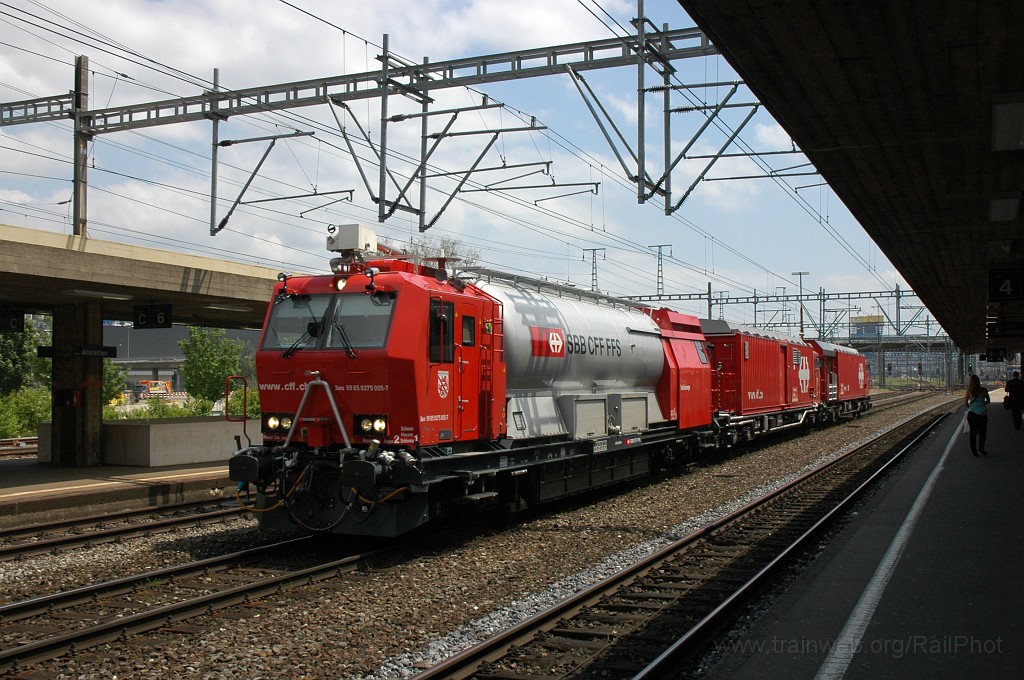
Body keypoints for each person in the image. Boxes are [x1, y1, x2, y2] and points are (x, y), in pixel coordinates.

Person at [964, 374, 990, 456]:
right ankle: (981, 448)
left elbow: (965, 403)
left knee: (973, 433)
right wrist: (982, 404)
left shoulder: (969, 391)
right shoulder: (984, 390)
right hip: (983, 414)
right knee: (983, 433)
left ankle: (974, 451)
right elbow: (988, 401)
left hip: (972, 415)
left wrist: (972, 407)